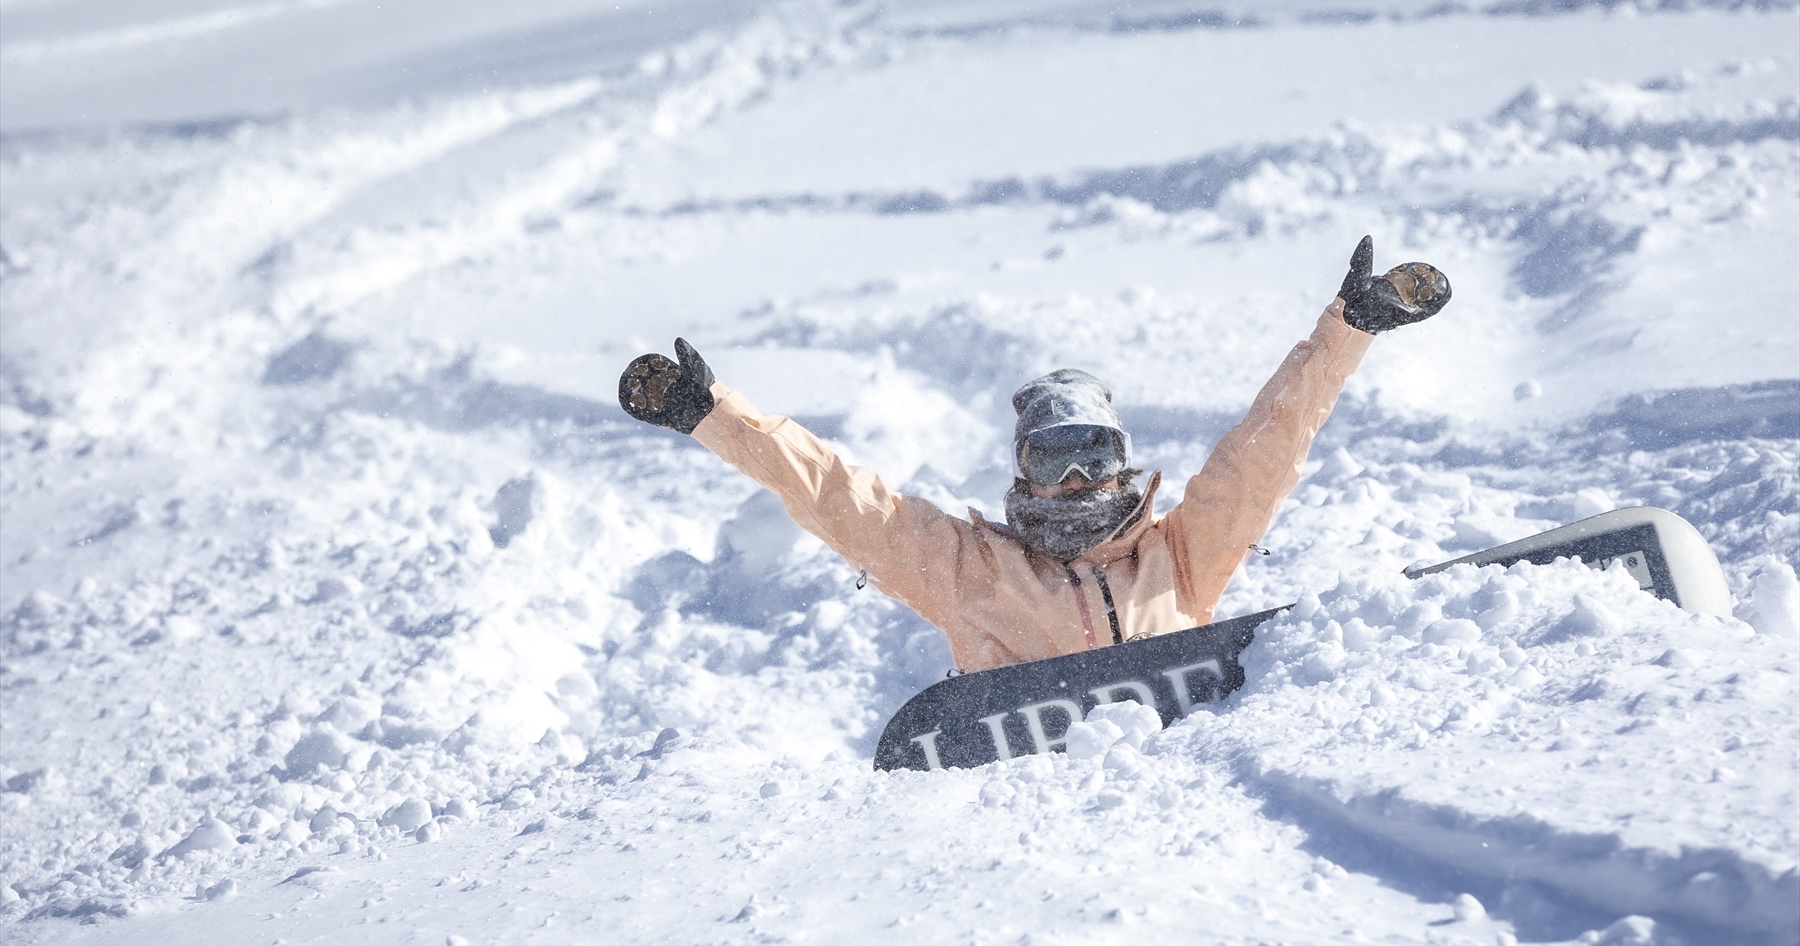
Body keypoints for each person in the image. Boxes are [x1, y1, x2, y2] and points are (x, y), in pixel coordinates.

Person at [618, 236, 1449, 675]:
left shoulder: (1183, 558)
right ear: (1022, 474)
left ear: (1124, 462)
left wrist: (1349, 330)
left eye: (1093, 453)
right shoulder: (970, 570)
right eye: (1053, 459)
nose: (1077, 478)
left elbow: (1264, 452)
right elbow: (840, 499)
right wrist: (715, 417)